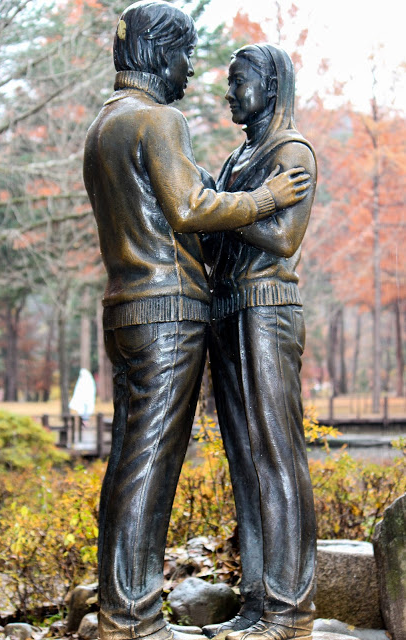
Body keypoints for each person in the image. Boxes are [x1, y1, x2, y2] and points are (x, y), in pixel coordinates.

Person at [83, 4, 310, 639]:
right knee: (150, 463)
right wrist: (262, 198)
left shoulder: (106, 122)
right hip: (167, 308)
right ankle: (132, 619)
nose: (191, 72)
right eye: (185, 54)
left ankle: (127, 612)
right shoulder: (157, 119)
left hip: (131, 307)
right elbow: (189, 206)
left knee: (134, 459)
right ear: (158, 51)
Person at [203, 44, 317, 640]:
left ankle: (290, 609)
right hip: (227, 311)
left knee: (277, 455)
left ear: (270, 88)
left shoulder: (290, 151)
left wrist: (219, 208)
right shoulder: (235, 159)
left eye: (238, 81)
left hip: (267, 311)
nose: (228, 91)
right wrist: (212, 200)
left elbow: (282, 237)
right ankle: (255, 601)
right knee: (244, 461)